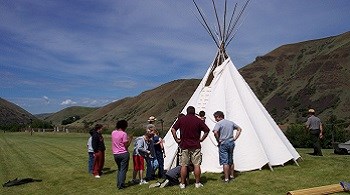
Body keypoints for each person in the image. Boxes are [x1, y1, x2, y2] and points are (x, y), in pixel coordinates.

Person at [171, 106, 210, 189]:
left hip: (184, 145)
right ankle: (197, 183)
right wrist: (202, 139)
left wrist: (176, 140)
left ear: (187, 111)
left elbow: (173, 129)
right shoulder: (198, 120)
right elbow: (207, 130)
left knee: (183, 165)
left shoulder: (181, 120)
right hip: (195, 145)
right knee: (196, 165)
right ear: (194, 112)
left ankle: (182, 183)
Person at [212, 111, 242, 183]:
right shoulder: (230, 122)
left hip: (223, 143)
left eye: (216, 118)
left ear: (219, 117)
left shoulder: (219, 123)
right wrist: (235, 138)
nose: (215, 119)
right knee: (230, 159)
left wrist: (218, 140)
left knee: (225, 161)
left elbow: (215, 132)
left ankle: (226, 178)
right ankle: (232, 175)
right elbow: (239, 129)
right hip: (231, 142)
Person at [111, 120, 133, 189]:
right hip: (123, 153)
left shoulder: (113, 133)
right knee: (123, 169)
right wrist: (130, 139)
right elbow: (126, 145)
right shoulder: (124, 134)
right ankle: (121, 184)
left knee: (119, 169)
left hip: (115, 153)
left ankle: (119, 183)